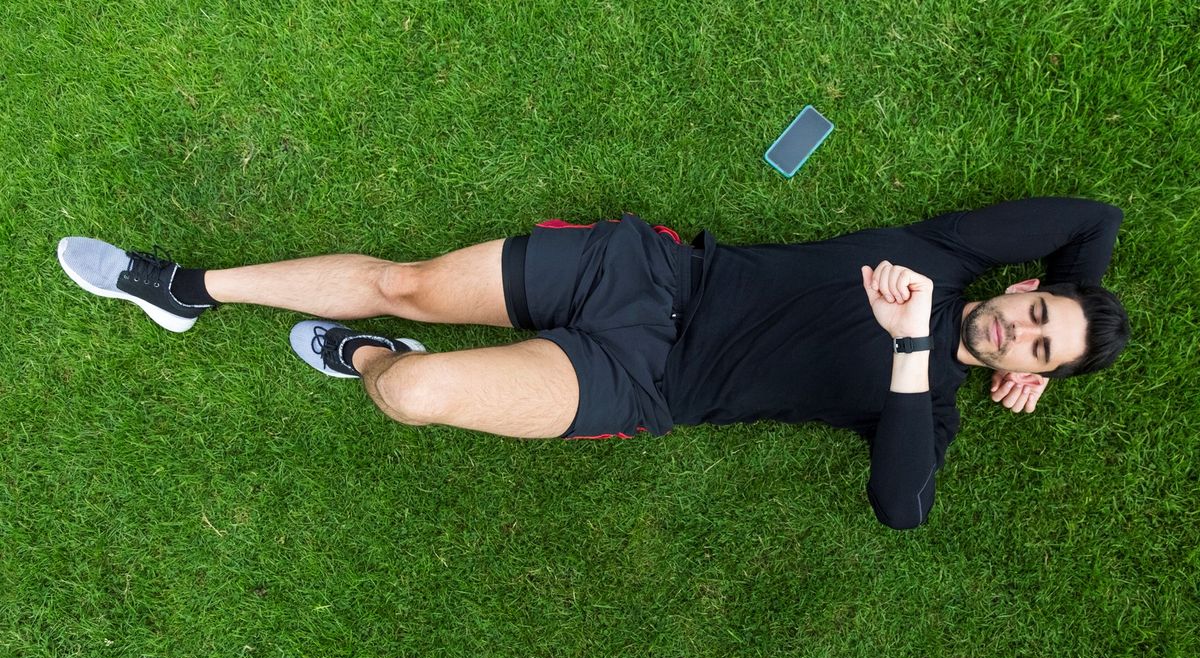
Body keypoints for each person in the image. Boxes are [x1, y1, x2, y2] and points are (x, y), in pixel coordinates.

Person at [56, 197, 1130, 529]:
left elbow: (902, 507)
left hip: (645, 386)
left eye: (1038, 351)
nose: (1016, 334)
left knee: (417, 392)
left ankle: (373, 357)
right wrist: (1078, 294)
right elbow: (1096, 216)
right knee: (412, 279)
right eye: (1036, 315)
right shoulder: (947, 256)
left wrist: (911, 351)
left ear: (1026, 373)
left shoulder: (925, 403)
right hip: (650, 281)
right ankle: (185, 290)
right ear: (1025, 282)